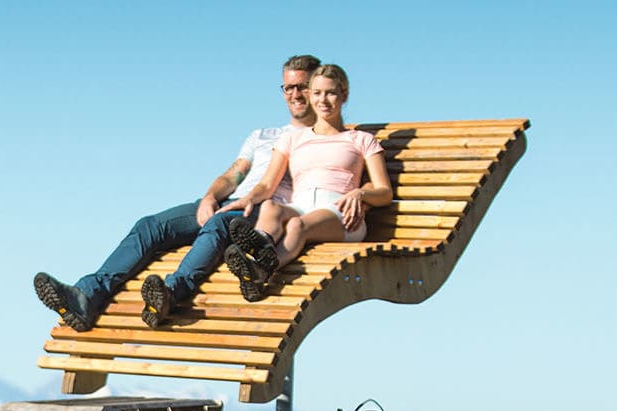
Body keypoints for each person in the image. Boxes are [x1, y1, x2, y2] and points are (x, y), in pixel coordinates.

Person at [35, 54, 320, 329]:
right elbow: (233, 174)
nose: (294, 94)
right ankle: (86, 296)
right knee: (150, 226)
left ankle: (171, 293)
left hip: (263, 211)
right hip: (228, 202)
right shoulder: (262, 135)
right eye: (288, 87)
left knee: (219, 225)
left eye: (302, 87)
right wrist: (210, 197)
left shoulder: (323, 141)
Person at [218, 63, 393, 301]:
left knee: (297, 226)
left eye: (331, 92)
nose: (324, 100)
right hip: (301, 203)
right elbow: (267, 185)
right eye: (318, 93)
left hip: (339, 212)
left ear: (344, 95)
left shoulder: (362, 140)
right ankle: (261, 243)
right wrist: (246, 199)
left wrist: (360, 194)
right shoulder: (292, 138)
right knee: (271, 207)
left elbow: (384, 191)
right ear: (310, 96)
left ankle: (262, 270)